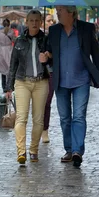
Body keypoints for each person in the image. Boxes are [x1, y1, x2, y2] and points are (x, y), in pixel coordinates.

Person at [42, 5, 99, 168]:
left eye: (60, 12)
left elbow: (96, 54)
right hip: (61, 80)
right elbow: (49, 52)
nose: (57, 14)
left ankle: (77, 150)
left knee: (78, 116)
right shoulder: (54, 31)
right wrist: (46, 55)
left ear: (71, 13)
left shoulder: (86, 29)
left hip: (81, 79)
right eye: (57, 12)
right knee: (65, 118)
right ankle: (69, 149)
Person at [5, 10, 49, 164]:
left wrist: (48, 58)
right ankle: (21, 151)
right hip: (22, 81)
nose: (34, 23)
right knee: (21, 118)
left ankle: (34, 150)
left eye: (37, 20)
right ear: (27, 22)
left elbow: (53, 63)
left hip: (41, 82)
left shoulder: (46, 40)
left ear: (41, 21)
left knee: (38, 120)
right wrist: (8, 88)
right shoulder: (20, 41)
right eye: (31, 20)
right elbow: (13, 65)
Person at [42, 14, 57, 144]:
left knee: (47, 102)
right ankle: (39, 128)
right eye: (48, 20)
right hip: (38, 73)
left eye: (52, 20)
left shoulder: (56, 36)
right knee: (39, 104)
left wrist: (51, 55)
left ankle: (45, 129)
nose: (50, 22)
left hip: (51, 71)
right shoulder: (38, 37)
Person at [0, 19, 14, 93]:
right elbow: (14, 40)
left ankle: (3, 86)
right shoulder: (11, 32)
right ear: (9, 24)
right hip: (9, 49)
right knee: (10, 68)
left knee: (3, 69)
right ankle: (9, 85)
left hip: (0, 50)